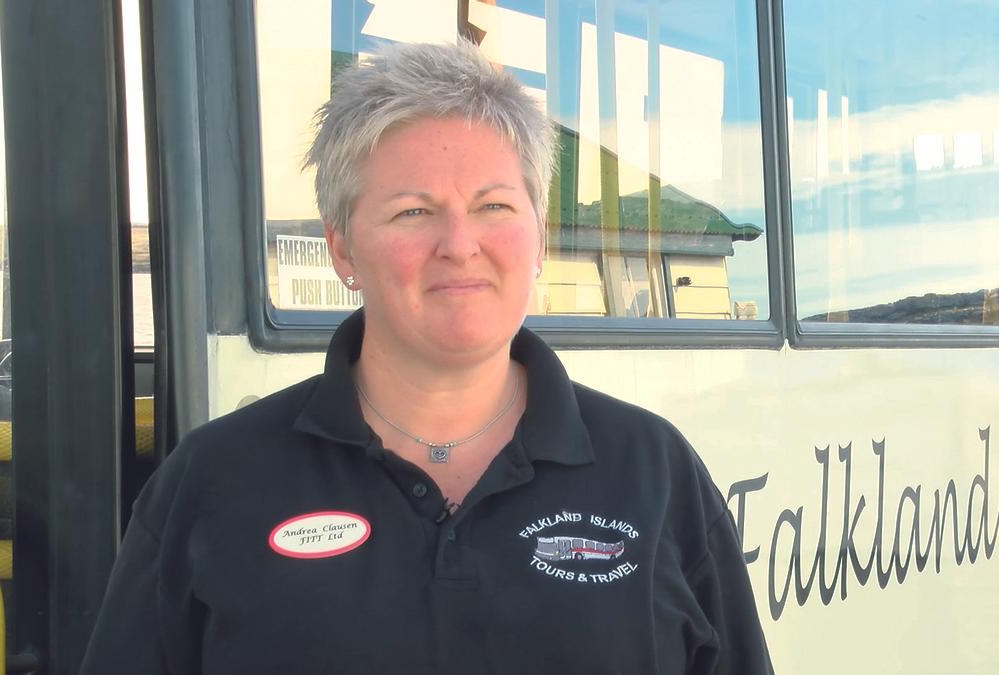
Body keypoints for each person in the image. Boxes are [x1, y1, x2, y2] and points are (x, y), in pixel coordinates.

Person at [81, 40, 772, 674]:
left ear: (537, 236)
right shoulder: (213, 481)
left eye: (494, 205)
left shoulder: (653, 472)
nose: (460, 243)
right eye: (413, 211)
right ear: (343, 247)